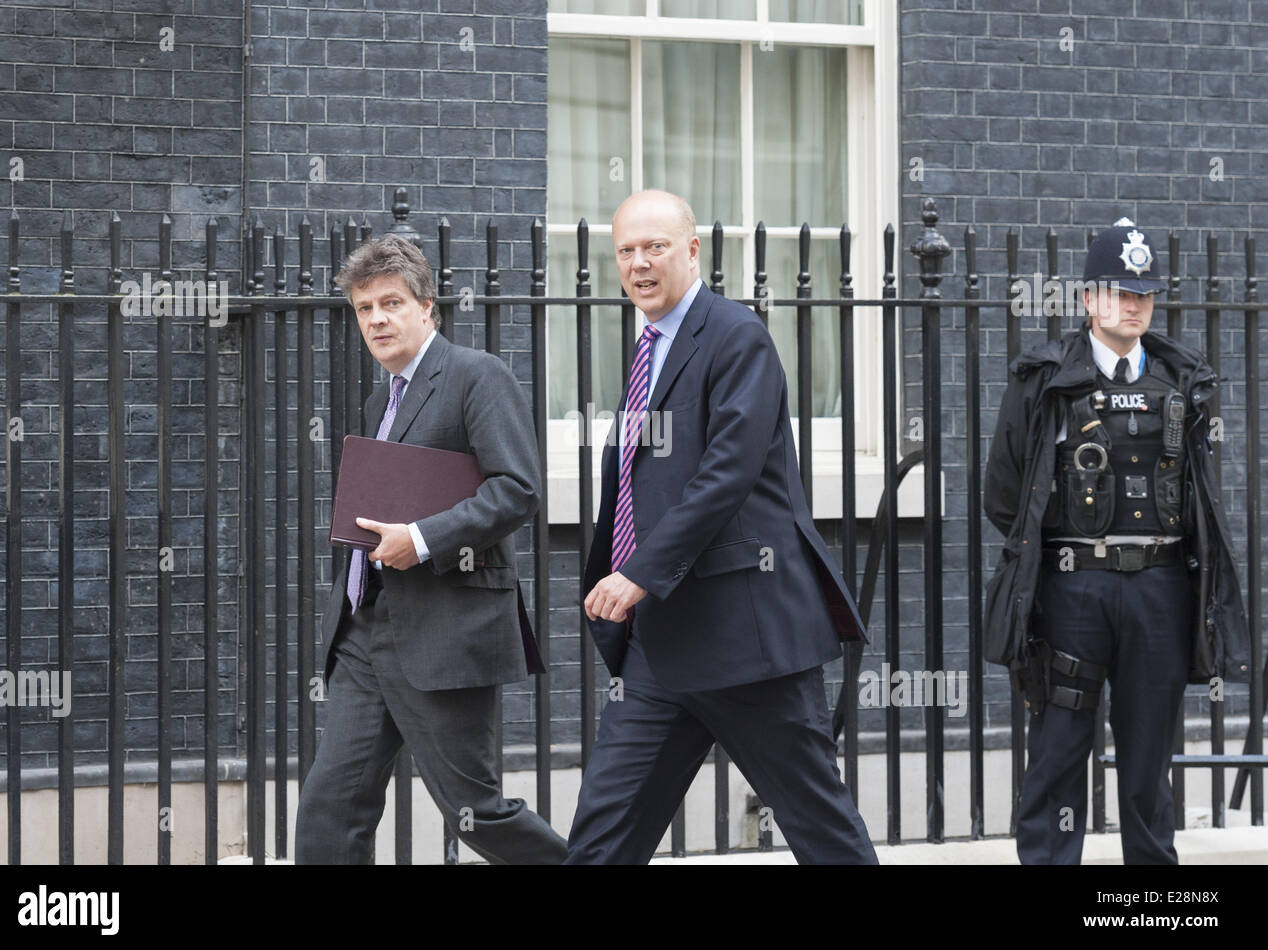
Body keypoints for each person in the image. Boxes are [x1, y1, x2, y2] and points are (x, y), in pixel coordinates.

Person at [564, 189, 878, 865]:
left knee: (821, 832)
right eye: (626, 250)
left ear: (693, 249)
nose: (639, 263)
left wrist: (639, 572)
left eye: (656, 247)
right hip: (660, 644)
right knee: (601, 836)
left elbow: (724, 476)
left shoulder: (736, 336)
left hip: (746, 640)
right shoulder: (649, 348)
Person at [983, 218, 1250, 865]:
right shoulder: (1042, 380)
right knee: (1057, 759)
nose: (1134, 304)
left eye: (1144, 293)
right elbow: (1003, 494)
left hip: (1160, 591)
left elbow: (1201, 497)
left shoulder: (1182, 381)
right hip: (1072, 591)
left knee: (1148, 767)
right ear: (1088, 299)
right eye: (1119, 291)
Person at [294, 234, 567, 864]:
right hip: (366, 633)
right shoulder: (379, 399)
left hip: (447, 629)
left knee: (477, 815)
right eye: (364, 309)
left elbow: (517, 490)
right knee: (330, 809)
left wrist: (420, 540)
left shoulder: (477, 376)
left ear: (428, 308)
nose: (377, 320)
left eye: (390, 303)